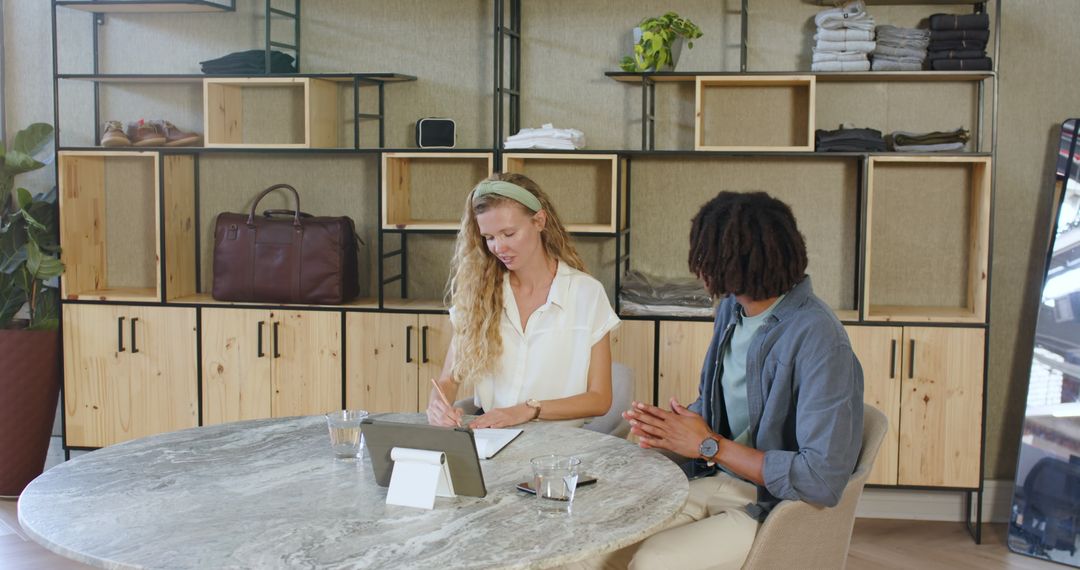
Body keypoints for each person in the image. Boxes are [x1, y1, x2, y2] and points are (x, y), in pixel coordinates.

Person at [620, 191, 865, 569]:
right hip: (716, 478)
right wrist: (672, 428)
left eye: (705, 255)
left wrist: (707, 444)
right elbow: (726, 407)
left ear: (735, 264)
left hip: (775, 507)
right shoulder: (732, 310)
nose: (698, 267)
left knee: (653, 562)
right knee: (607, 540)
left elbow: (821, 478)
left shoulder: (820, 339)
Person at [425, 173, 620, 429]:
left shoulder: (586, 293)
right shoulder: (478, 295)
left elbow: (599, 399)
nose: (498, 247)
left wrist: (529, 410)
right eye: (489, 238)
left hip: (559, 451)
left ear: (539, 221)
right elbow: (449, 380)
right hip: (492, 441)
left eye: (509, 233)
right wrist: (437, 407)